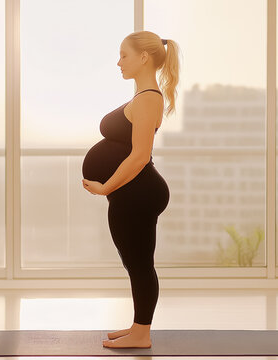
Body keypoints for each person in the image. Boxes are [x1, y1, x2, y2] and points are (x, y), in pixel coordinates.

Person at [81, 30, 180, 348]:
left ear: (144, 57)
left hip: (139, 193)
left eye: (124, 55)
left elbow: (139, 156)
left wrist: (104, 187)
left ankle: (141, 334)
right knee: (134, 261)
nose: (119, 62)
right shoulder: (142, 97)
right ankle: (138, 327)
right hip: (131, 194)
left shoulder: (149, 98)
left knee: (140, 263)